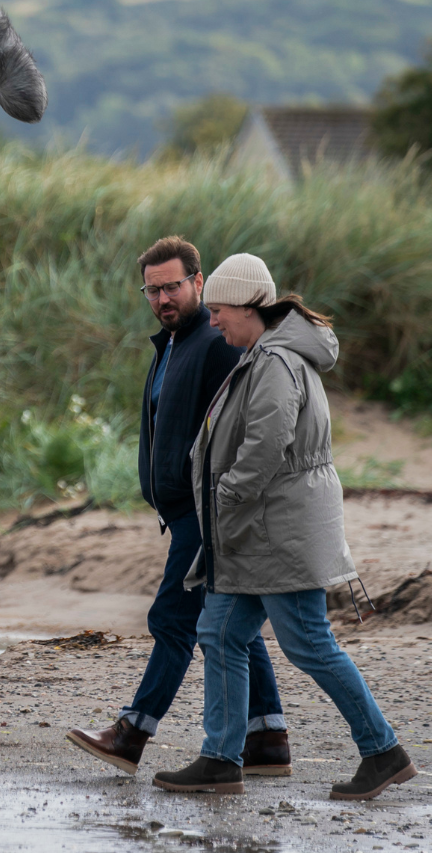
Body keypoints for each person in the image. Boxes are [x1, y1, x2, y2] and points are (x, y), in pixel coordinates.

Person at [153, 253, 414, 799]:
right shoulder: (264, 354)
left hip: (278, 533)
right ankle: (221, 759)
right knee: (219, 634)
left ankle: (382, 750)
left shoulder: (275, 362)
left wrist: (223, 496)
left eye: (221, 310)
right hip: (256, 534)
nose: (215, 320)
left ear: (249, 306)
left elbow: (265, 446)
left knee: (310, 645)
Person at [66, 237, 290, 777]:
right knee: (229, 626)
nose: (164, 298)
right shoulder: (170, 344)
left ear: (199, 282)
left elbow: (246, 428)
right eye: (153, 289)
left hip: (207, 511)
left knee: (173, 619)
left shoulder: (216, 344)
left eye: (173, 286)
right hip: (187, 511)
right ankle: (268, 739)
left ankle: (132, 732)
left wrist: (226, 500)